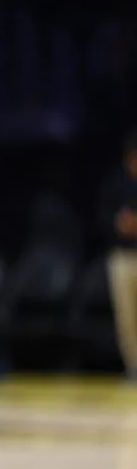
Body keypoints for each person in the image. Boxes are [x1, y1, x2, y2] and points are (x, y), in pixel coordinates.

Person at [100, 129, 137, 380]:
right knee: (126, 317)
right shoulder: (116, 185)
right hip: (122, 259)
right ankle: (134, 367)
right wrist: (118, 225)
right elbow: (102, 220)